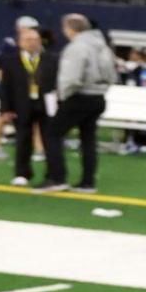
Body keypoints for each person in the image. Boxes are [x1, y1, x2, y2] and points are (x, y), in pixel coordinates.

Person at [42, 13, 117, 193]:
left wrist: (63, 95)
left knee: (52, 134)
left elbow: (72, 77)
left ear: (70, 28)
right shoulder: (103, 46)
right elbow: (111, 74)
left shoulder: (77, 47)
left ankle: (56, 178)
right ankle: (87, 182)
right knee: (88, 139)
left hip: (79, 96)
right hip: (98, 97)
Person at [0, 24, 56, 188]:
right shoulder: (10, 61)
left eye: (35, 39)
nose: (32, 43)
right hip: (21, 106)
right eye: (28, 40)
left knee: (49, 140)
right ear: (20, 42)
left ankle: (53, 174)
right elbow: (5, 87)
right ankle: (22, 173)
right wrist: (5, 109)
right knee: (23, 140)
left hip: (46, 106)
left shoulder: (51, 59)